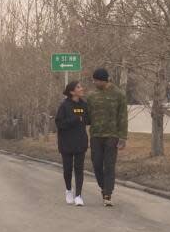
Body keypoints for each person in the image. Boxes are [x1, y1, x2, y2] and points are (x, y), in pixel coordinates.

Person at [87, 68, 128, 207]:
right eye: (94, 80)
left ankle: (107, 194)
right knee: (97, 163)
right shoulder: (91, 96)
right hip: (95, 135)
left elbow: (123, 117)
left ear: (104, 80)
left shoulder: (118, 94)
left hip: (112, 135)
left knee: (109, 165)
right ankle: (103, 186)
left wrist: (123, 137)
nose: (94, 82)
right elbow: (86, 115)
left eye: (96, 80)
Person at [55, 81, 89, 207]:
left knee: (79, 169)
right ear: (72, 92)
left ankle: (78, 195)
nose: (82, 89)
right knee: (68, 169)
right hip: (66, 142)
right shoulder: (64, 106)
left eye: (81, 86)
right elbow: (59, 123)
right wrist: (75, 119)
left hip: (80, 141)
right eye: (78, 87)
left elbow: (87, 119)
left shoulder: (84, 104)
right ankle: (69, 190)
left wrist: (84, 118)